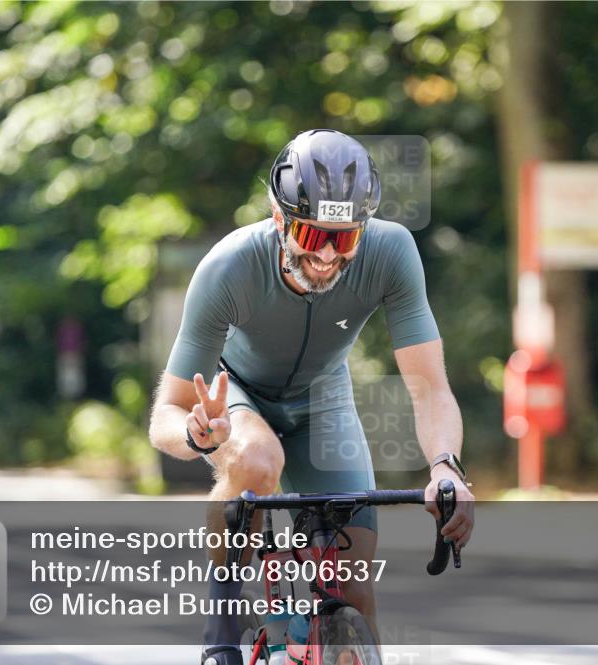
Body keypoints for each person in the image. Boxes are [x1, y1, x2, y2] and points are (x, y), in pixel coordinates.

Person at [149, 129, 474, 665]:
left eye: (343, 239)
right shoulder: (228, 268)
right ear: (279, 219)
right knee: (257, 461)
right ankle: (222, 631)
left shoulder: (392, 252)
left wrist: (445, 467)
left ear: (363, 230)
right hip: (239, 398)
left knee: (355, 591)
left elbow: (430, 385)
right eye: (310, 233)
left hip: (323, 399)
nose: (325, 255)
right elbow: (168, 411)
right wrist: (195, 432)